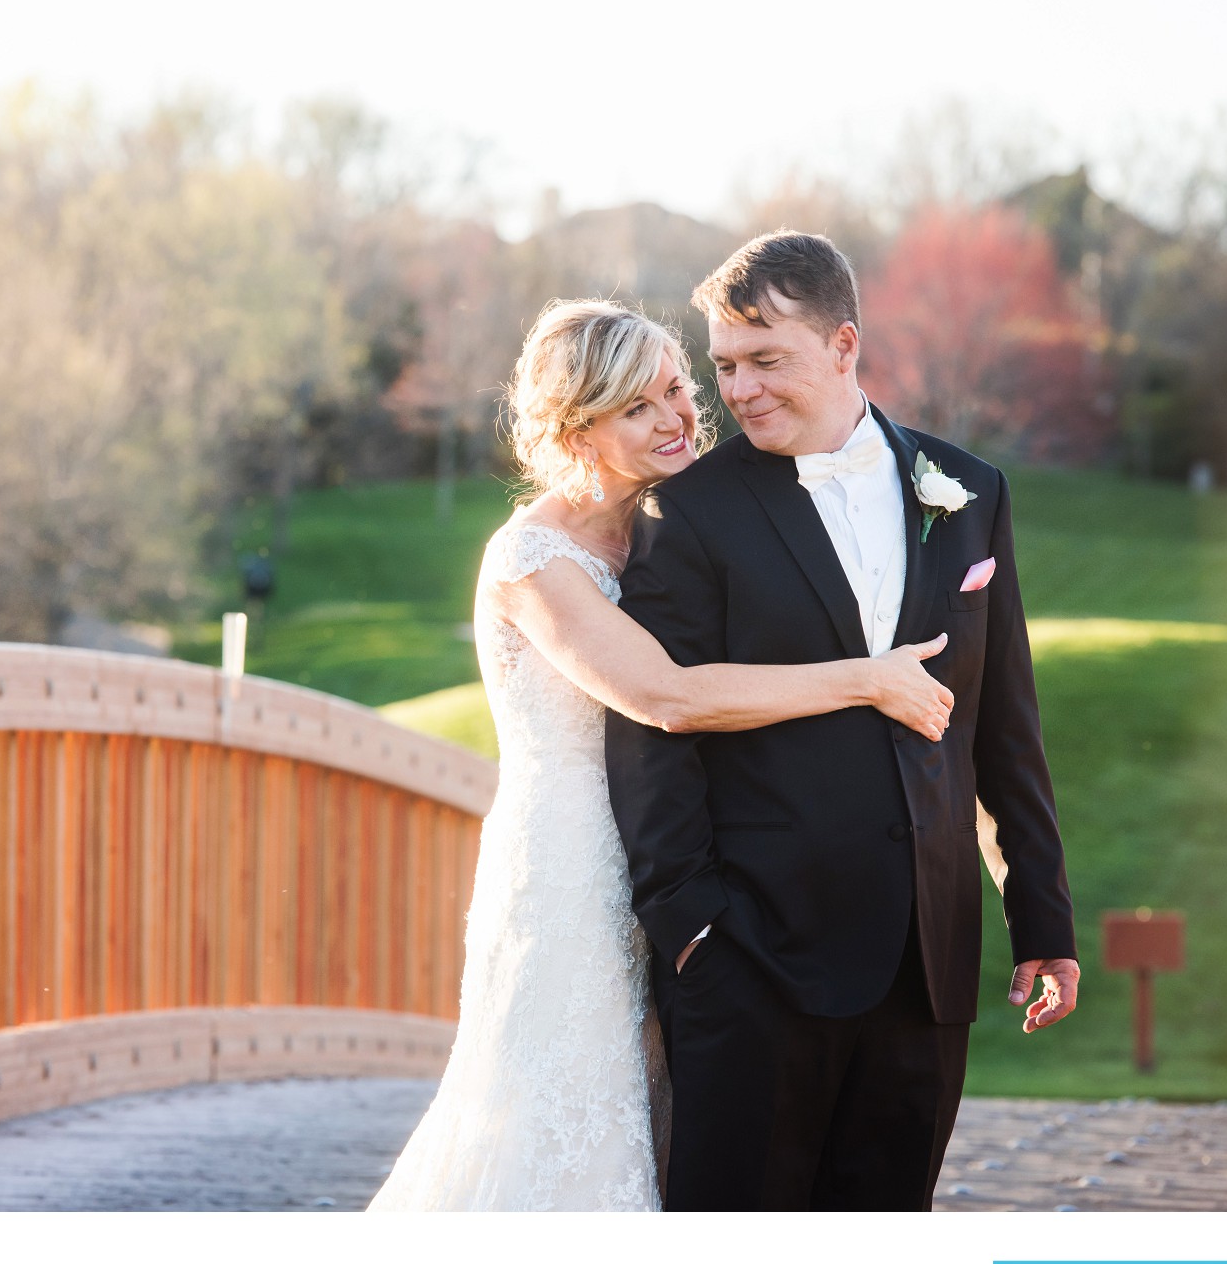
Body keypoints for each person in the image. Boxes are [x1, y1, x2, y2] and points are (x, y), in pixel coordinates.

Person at [367, 298, 958, 1213]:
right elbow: (667, 697)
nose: (682, 416)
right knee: (568, 1118)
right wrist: (868, 679)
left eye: (680, 389)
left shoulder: (673, 525)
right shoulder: (532, 560)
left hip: (688, 857)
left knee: (669, 1125)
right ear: (577, 425)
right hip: (572, 870)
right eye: (639, 407)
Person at [605, 232, 1078, 1214]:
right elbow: (653, 734)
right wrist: (694, 932)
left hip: (925, 962)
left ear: (843, 344)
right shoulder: (685, 513)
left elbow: (1004, 724)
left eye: (766, 358)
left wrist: (1042, 920)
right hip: (751, 964)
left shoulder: (970, 491)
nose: (738, 389)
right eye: (725, 364)